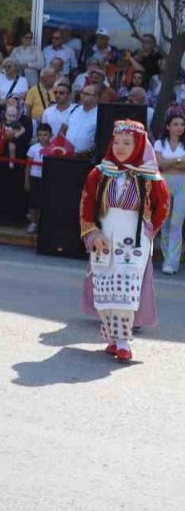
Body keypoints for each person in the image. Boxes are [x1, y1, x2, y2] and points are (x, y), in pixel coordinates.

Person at [79, 120, 169, 362]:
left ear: (139, 145)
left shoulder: (150, 177)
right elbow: (87, 204)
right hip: (104, 237)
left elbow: (162, 207)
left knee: (127, 290)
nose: (119, 147)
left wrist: (149, 231)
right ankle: (111, 336)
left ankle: (123, 341)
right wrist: (93, 233)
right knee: (104, 287)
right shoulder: (99, 173)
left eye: (127, 143)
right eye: (116, 142)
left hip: (134, 241)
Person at [0, 96, 32, 227]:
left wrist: (14, 137)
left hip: (18, 161)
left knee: (17, 190)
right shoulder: (1, 120)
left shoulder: (25, 121)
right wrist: (4, 137)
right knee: (0, 188)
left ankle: (17, 218)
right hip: (1, 160)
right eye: (9, 103)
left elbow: (26, 137)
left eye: (14, 104)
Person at [153, 108, 185, 275]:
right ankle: (167, 258)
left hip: (182, 185)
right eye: (176, 124)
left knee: (176, 224)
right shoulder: (160, 144)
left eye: (182, 124)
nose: (179, 127)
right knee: (164, 222)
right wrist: (179, 160)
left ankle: (173, 261)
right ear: (168, 127)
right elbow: (161, 164)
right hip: (164, 182)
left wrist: (170, 162)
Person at [24, 123, 53, 235]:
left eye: (45, 134)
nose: (43, 137)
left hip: (46, 179)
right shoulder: (33, 148)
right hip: (34, 177)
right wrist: (26, 181)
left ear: (50, 135)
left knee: (44, 202)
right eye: (40, 135)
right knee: (33, 202)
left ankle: (42, 224)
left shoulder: (53, 148)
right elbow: (28, 166)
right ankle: (33, 223)